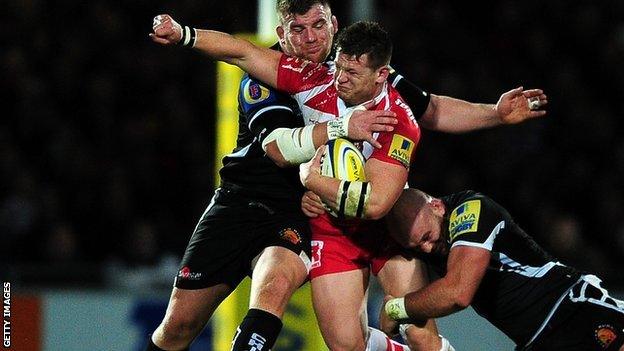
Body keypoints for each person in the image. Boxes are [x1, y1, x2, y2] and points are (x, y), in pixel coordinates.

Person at [148, 1, 547, 350]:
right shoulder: (302, 77)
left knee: (409, 331)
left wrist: (495, 114)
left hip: (353, 215)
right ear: (282, 32)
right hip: (267, 204)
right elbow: (252, 82)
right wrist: (184, 34)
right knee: (338, 344)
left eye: (317, 26)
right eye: (298, 30)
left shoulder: (398, 118)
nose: (311, 42)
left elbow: (379, 200)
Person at [380, 188, 624, 351]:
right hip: (536, 340)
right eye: (417, 246)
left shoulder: (470, 210)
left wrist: (396, 308)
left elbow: (458, 293)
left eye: (427, 237)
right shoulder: (431, 241)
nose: (427, 248)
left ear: (437, 206)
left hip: (571, 308)